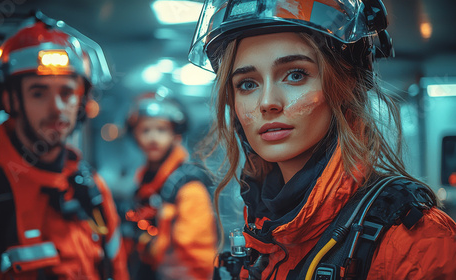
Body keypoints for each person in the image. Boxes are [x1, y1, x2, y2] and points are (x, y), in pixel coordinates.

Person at [188, 0, 456, 279]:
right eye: (248, 84)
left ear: (343, 86)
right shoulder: (263, 231)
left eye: (295, 75)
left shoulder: (416, 242)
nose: (267, 102)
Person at [0, 16, 129, 279]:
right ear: (9, 98)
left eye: (67, 93)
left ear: (81, 100)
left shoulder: (91, 189)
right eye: (39, 92)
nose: (57, 108)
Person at [122, 92, 217, 280]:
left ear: (176, 135)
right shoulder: (145, 183)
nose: (153, 138)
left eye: (161, 129)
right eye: (145, 130)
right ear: (135, 135)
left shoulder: (189, 187)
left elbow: (197, 256)